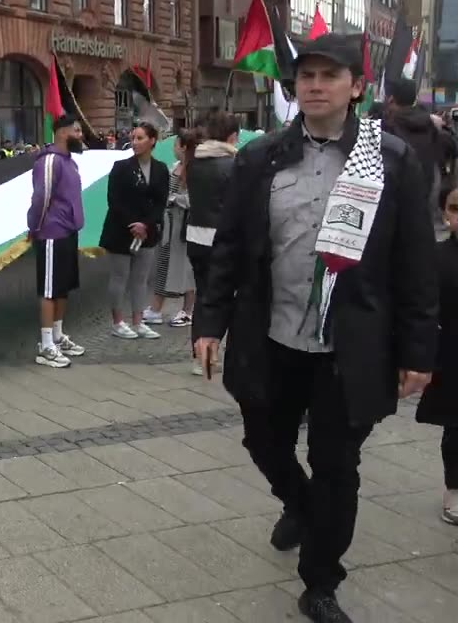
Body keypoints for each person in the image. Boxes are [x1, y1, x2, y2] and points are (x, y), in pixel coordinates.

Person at [193, 33, 437, 623]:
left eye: (330, 76)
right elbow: (230, 248)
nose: (315, 85)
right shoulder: (261, 157)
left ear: (357, 87)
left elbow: (415, 263)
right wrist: (210, 322)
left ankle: (321, 581)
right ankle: (299, 504)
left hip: (348, 345)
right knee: (264, 441)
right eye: (307, 76)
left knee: (337, 465)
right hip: (272, 337)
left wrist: (419, 350)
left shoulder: (391, 160)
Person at [26, 115, 87, 369]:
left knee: (62, 288)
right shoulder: (50, 161)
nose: (81, 134)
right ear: (62, 133)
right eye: (77, 130)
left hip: (69, 232)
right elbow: (41, 197)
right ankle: (46, 345)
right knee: (50, 291)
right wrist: (35, 227)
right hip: (52, 232)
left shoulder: (70, 162)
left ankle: (58, 336)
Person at [100, 122, 170, 340]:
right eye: (133, 138)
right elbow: (114, 200)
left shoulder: (160, 169)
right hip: (121, 230)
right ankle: (118, 322)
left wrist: (146, 225)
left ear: (152, 141)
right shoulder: (121, 167)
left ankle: (139, 321)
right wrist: (133, 224)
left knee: (141, 278)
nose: (135, 142)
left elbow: (161, 201)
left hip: (147, 232)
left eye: (140, 138)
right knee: (119, 277)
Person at [184, 112, 239, 376]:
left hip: (195, 237)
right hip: (221, 240)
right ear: (232, 136)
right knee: (221, 299)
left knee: (203, 296)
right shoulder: (232, 165)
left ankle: (199, 357)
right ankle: (213, 355)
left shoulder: (194, 162)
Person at [417, 182, 458, 525]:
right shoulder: (436, 257)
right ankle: (454, 487)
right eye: (455, 209)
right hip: (451, 356)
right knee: (456, 427)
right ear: (445, 214)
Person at [383, 79, 454, 241]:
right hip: (427, 220)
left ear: (391, 99)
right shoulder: (432, 128)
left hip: (394, 219)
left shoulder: (386, 129)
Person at [144, 130, 198, 329]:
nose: (173, 149)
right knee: (164, 265)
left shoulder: (195, 170)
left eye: (176, 144)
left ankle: (188, 310)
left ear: (183, 147)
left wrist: (174, 199)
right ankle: (156, 308)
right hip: (169, 226)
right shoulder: (175, 167)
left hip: (184, 228)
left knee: (187, 269)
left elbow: (195, 200)